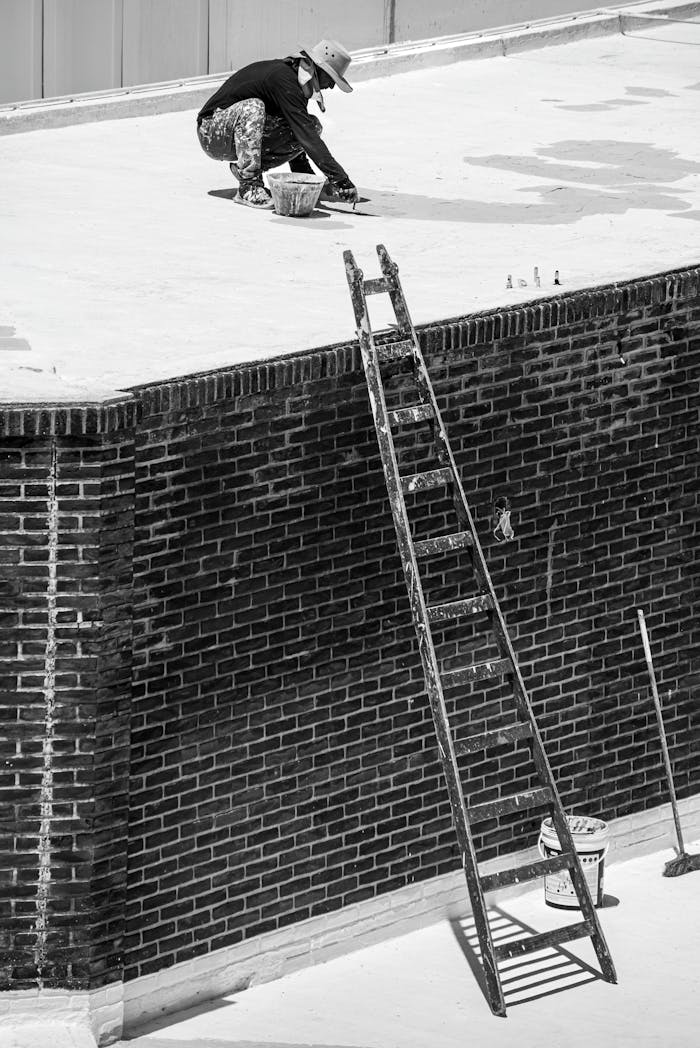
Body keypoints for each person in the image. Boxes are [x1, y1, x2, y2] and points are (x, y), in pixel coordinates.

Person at [197, 39, 359, 209]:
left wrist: (307, 180)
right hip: (211, 131)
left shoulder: (296, 84)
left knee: (312, 125)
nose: (332, 86)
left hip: (233, 134)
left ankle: (245, 170)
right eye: (331, 78)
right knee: (254, 107)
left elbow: (299, 133)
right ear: (318, 70)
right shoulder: (283, 78)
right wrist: (341, 180)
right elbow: (307, 138)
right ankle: (248, 186)